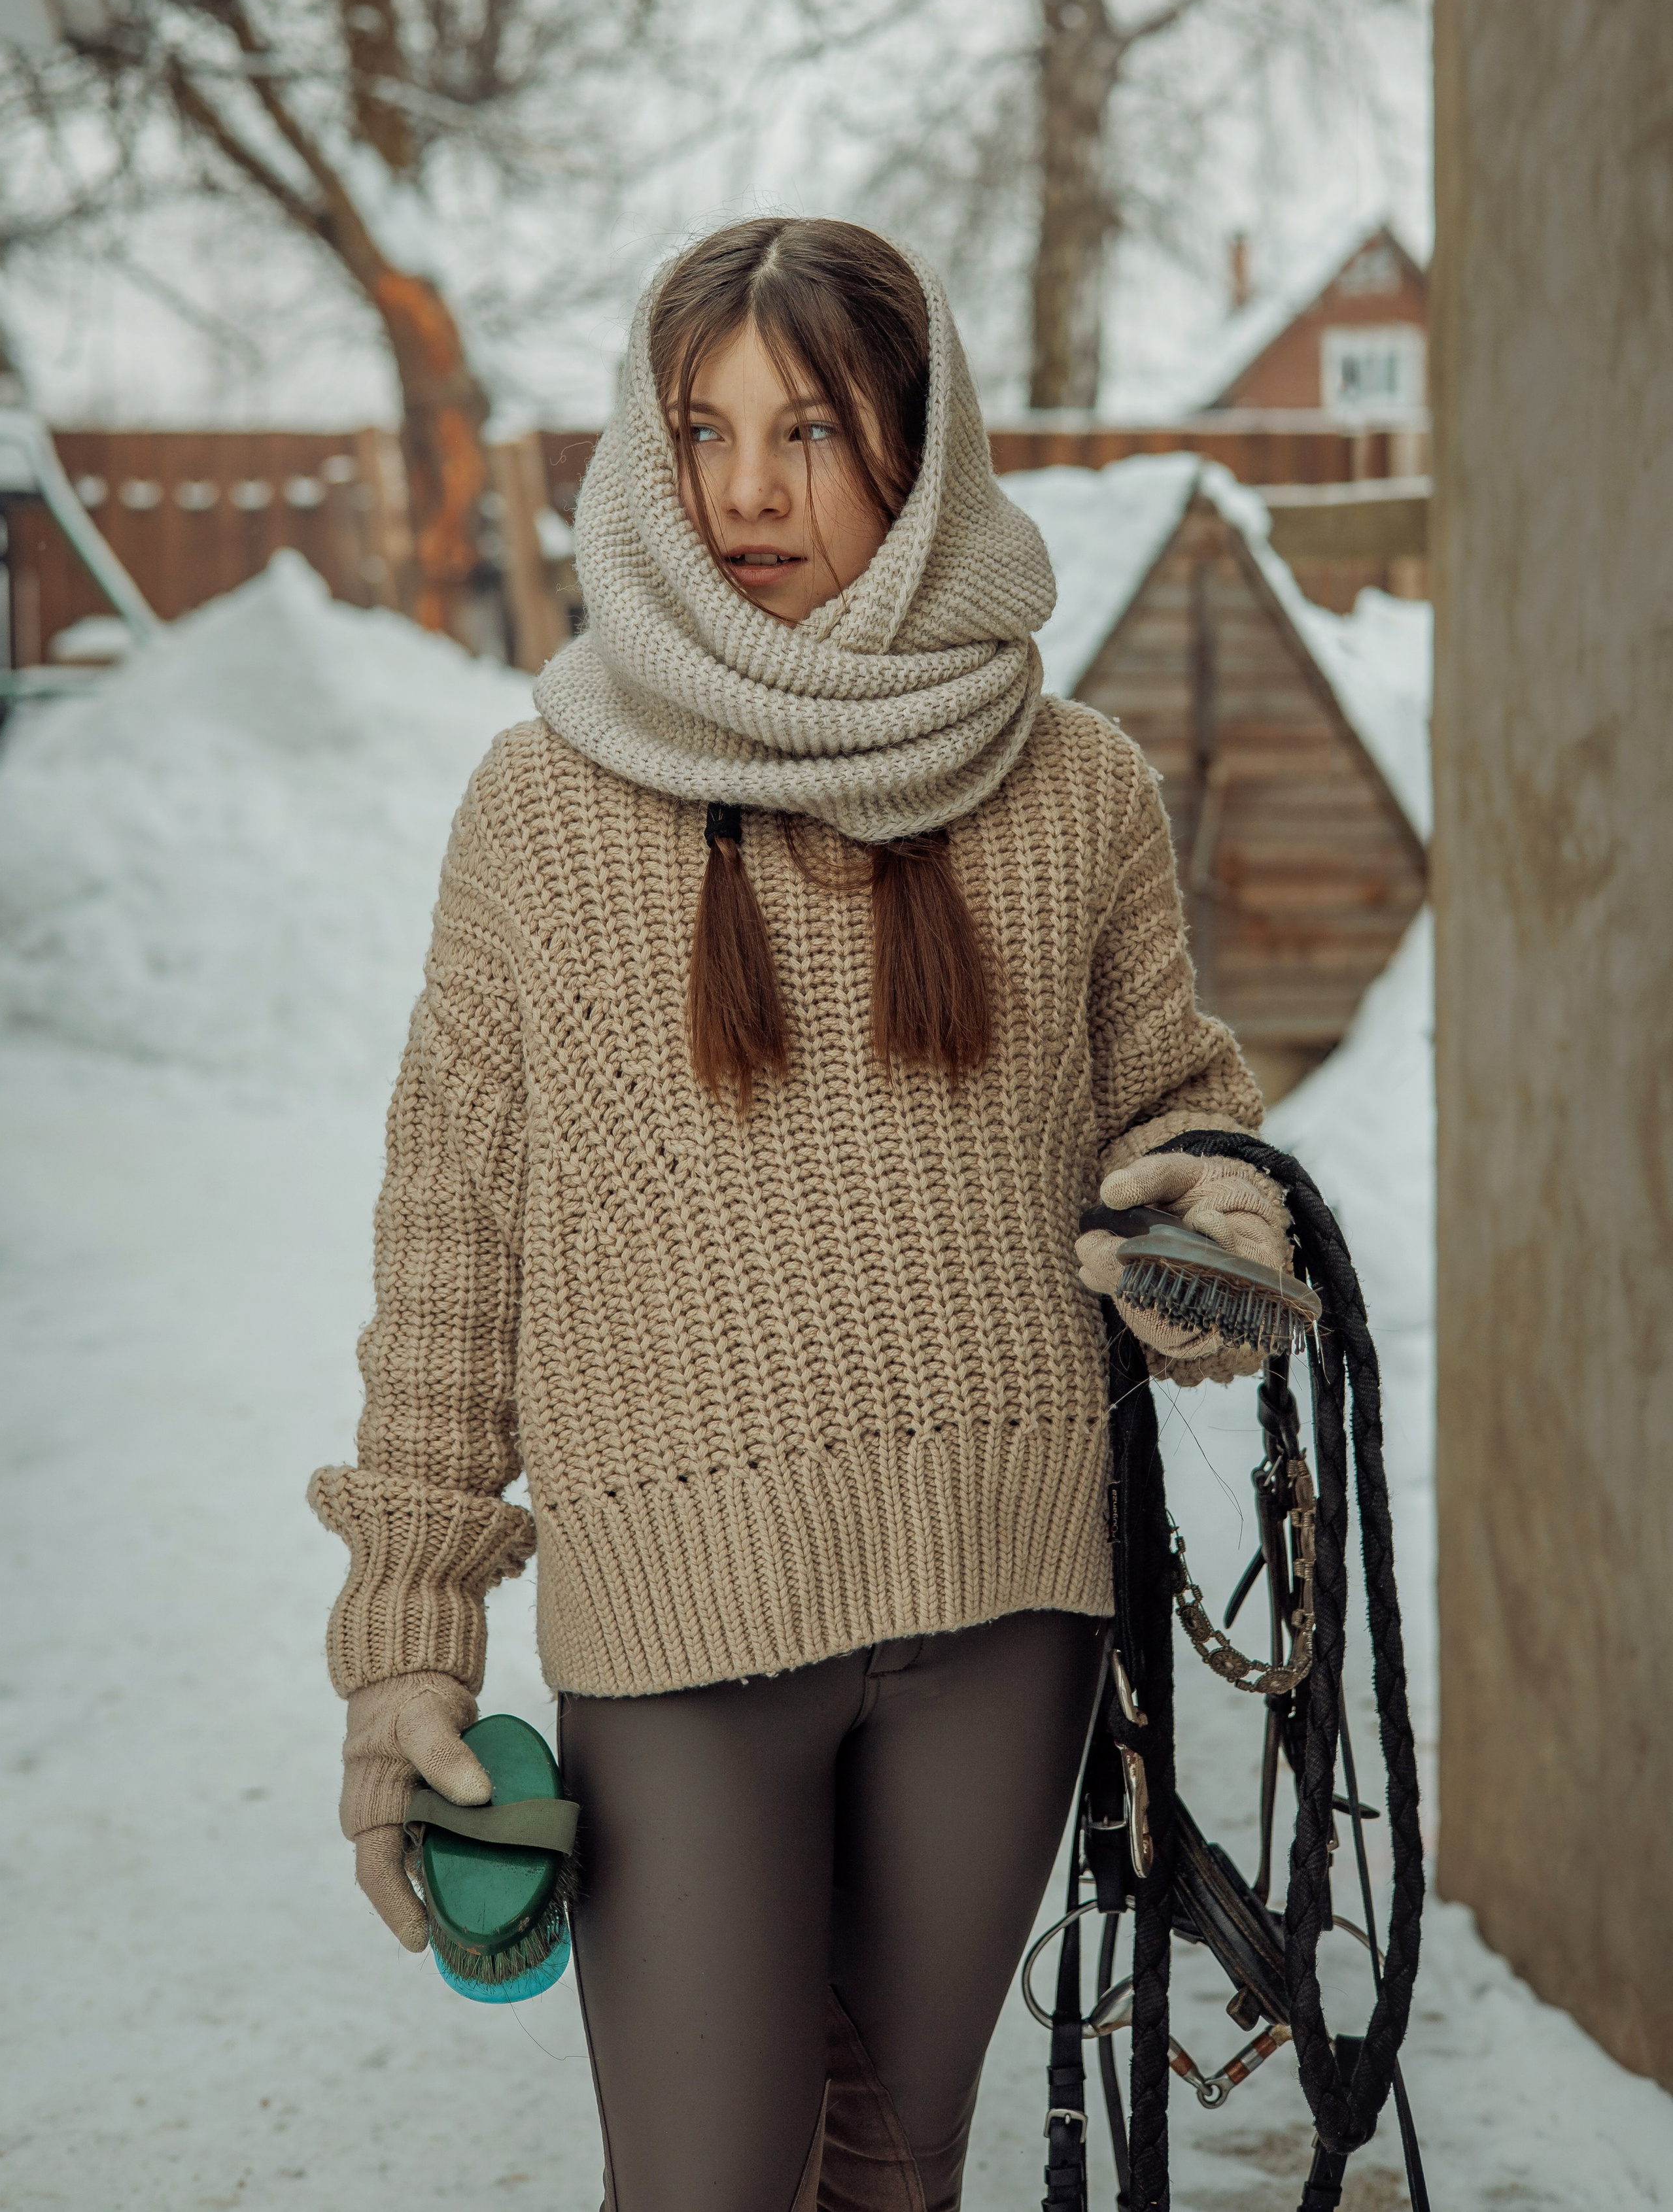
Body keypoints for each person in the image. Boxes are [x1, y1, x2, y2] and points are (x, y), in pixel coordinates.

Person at [309, 217, 1289, 2212]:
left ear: (922, 452)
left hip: (1004, 1605)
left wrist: (1217, 1214)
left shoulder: (1074, 788)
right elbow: (452, 1244)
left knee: (898, 2178)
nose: (746, 490)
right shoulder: (544, 808)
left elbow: (1176, 1105)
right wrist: (408, 1641)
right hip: (678, 1628)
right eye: (703, 430)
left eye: (813, 431)